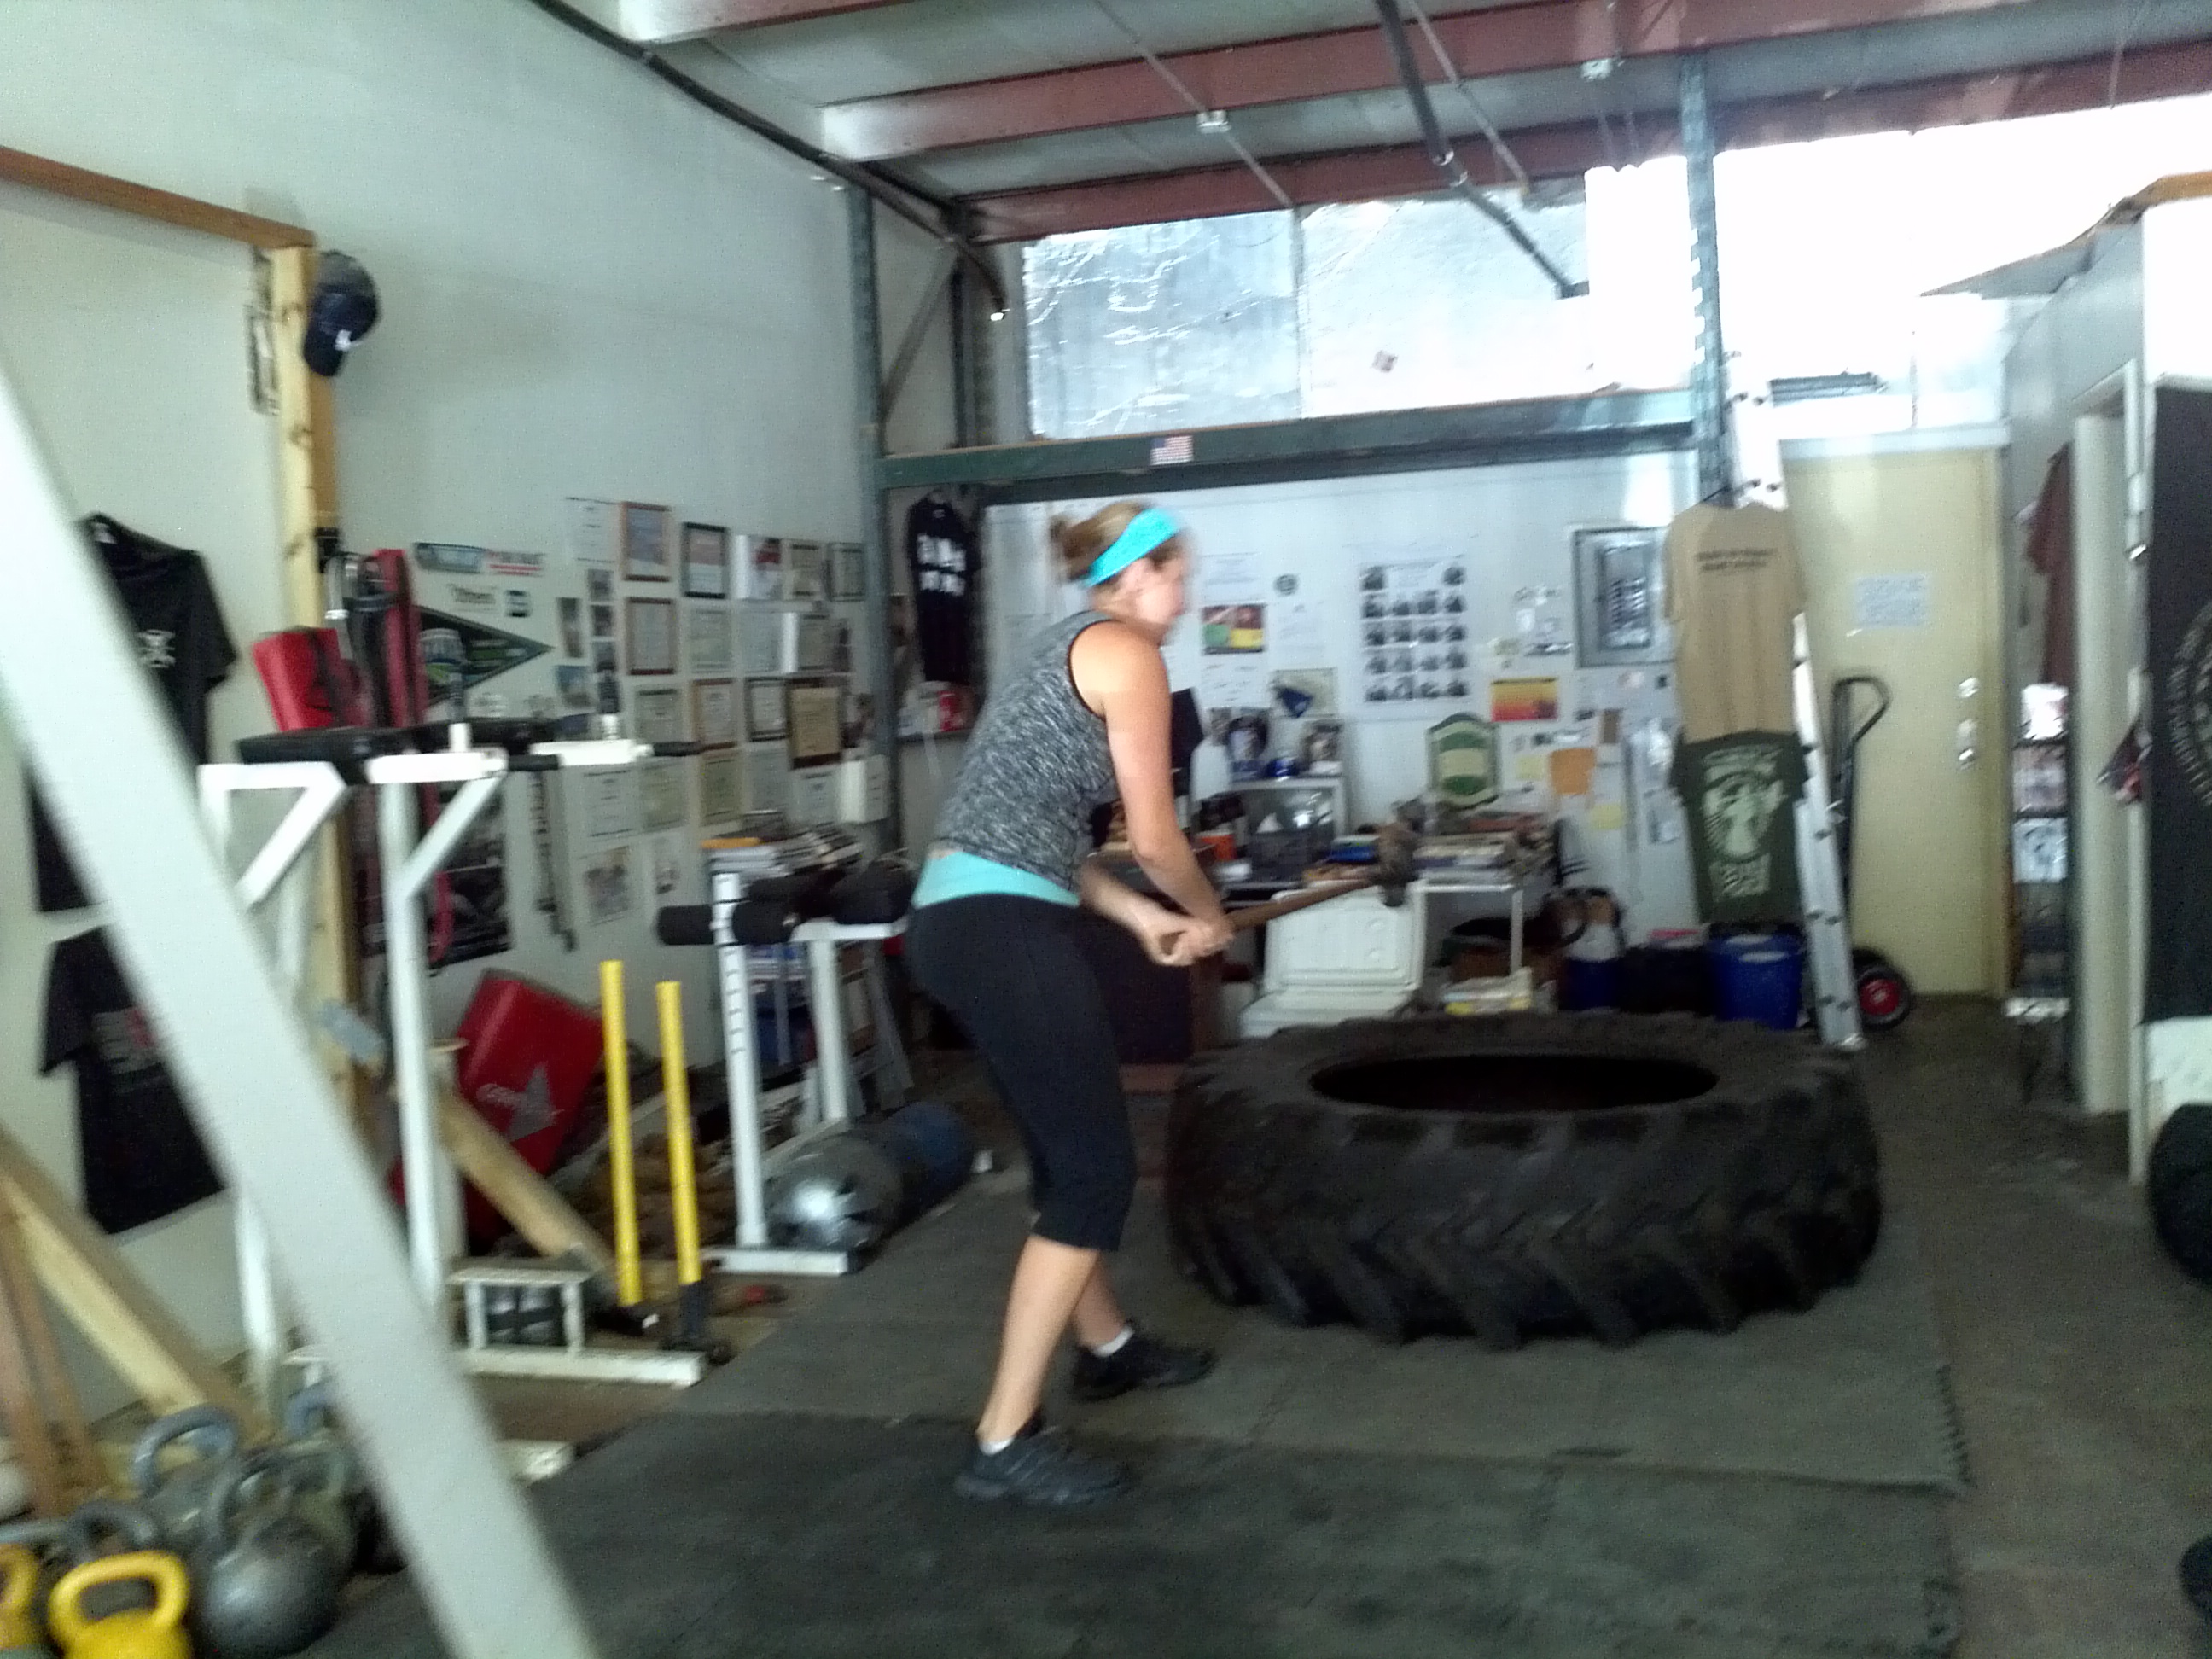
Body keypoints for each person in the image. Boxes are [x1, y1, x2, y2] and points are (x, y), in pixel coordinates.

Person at [905, 500, 1234, 1506]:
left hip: (965, 920)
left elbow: (1050, 842)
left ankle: (1108, 1346)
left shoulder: (1061, 647)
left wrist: (1143, 921)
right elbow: (1157, 839)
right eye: (1181, 575)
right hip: (1002, 930)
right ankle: (1004, 1439)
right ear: (1142, 575)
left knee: (1062, 1159)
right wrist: (1206, 913)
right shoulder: (1130, 655)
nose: (1187, 595)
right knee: (1094, 1173)